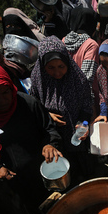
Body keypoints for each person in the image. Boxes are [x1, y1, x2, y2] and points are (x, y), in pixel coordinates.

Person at [0, 61, 62, 214]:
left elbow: (49, 128)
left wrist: (50, 144)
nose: (3, 100)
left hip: (39, 174)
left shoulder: (27, 104)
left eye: (5, 92)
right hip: (9, 185)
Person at [30, 35, 93, 182]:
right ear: (42, 65)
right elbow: (35, 105)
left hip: (75, 136)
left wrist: (83, 124)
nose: (57, 72)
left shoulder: (78, 79)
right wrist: (47, 115)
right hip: (53, 137)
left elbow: (86, 105)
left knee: (83, 169)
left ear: (67, 63)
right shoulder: (38, 79)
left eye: (61, 67)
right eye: (51, 68)